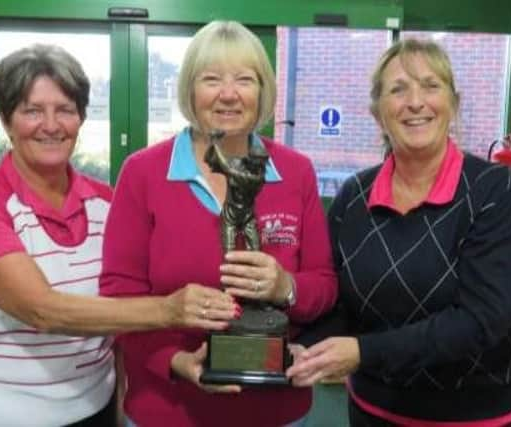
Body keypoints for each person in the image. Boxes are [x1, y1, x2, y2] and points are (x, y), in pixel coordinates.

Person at [0, 44, 237, 427]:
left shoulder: (108, 202)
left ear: (81, 118)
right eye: (32, 110)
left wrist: (122, 403)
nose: (51, 125)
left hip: (94, 408)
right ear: (6, 121)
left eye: (66, 110)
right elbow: (42, 309)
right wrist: (168, 309)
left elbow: (119, 311)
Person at [99, 20, 337, 427]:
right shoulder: (143, 172)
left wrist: (287, 287)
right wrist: (173, 361)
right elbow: (119, 295)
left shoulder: (295, 171)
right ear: (190, 90)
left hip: (275, 411)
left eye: (244, 79)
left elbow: (325, 284)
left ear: (262, 90)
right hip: (168, 410)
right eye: (212, 79)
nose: (229, 94)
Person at [287, 38, 511, 426]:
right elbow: (340, 303)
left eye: (431, 86)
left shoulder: (496, 190)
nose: (416, 102)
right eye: (398, 89)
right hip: (370, 410)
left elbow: (483, 319)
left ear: (453, 104)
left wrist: (363, 352)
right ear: (378, 113)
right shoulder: (354, 197)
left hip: (469, 417)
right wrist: (299, 349)